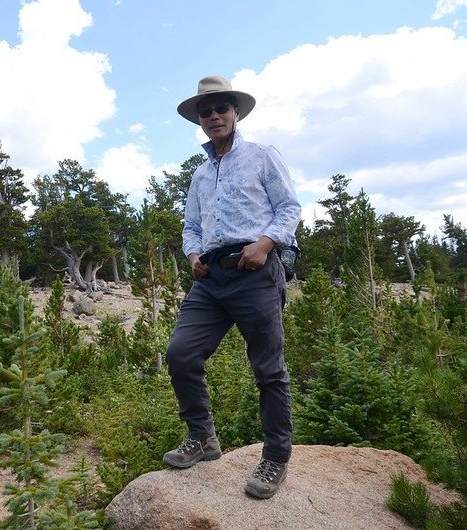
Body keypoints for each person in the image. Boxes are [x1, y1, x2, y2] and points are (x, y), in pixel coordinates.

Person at [162, 75, 301, 500]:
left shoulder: (261, 156)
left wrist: (264, 244)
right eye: (206, 111)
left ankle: (275, 455)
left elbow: (290, 207)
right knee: (181, 353)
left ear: (236, 113)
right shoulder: (201, 174)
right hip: (212, 275)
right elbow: (189, 224)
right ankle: (202, 436)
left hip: (255, 268)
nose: (214, 116)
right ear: (199, 120)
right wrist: (191, 257)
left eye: (221, 107)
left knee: (268, 367)